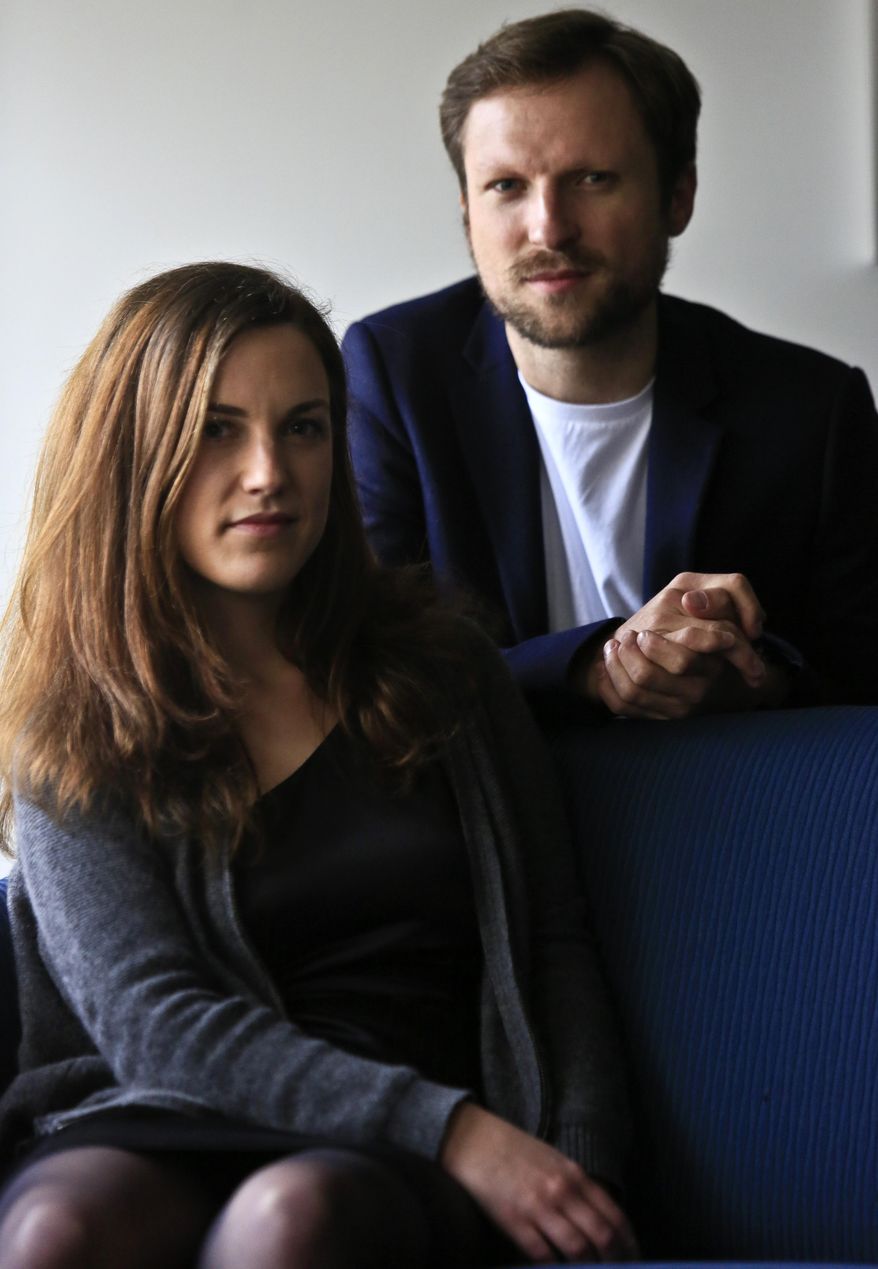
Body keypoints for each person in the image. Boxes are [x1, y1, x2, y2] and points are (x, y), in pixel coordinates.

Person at [0, 262, 635, 1268]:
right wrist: (453, 1133)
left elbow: (553, 938)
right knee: (55, 1229)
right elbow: (150, 1020)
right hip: (171, 1112)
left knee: (288, 1221)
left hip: (399, 1150)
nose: (268, 472)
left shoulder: (441, 669)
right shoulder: (76, 723)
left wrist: (572, 1166)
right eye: (217, 429)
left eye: (302, 426)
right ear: (134, 451)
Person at [342, 7, 878, 720]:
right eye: (507, 186)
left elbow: (861, 681)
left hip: (737, 810)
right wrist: (585, 665)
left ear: (677, 196)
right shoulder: (392, 375)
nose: (549, 228)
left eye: (592, 178)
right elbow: (366, 664)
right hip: (481, 822)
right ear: (467, 212)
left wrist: (755, 680)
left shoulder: (813, 410)